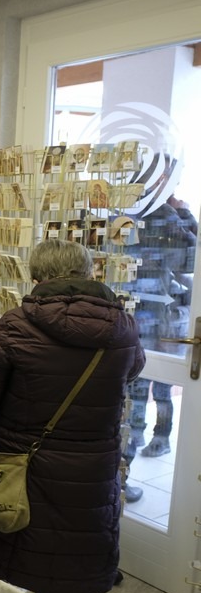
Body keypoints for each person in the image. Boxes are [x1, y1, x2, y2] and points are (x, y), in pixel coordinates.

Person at [0, 239, 144, 593]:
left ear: (37, 278)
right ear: (88, 273)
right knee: (61, 580)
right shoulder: (123, 328)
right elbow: (133, 371)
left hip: (15, 471)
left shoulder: (18, 325)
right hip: (88, 478)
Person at [123, 194, 195, 468]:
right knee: (138, 390)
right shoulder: (134, 221)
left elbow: (191, 259)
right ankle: (136, 435)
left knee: (162, 392)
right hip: (138, 328)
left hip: (163, 331)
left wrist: (184, 215)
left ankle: (161, 438)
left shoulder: (169, 222)